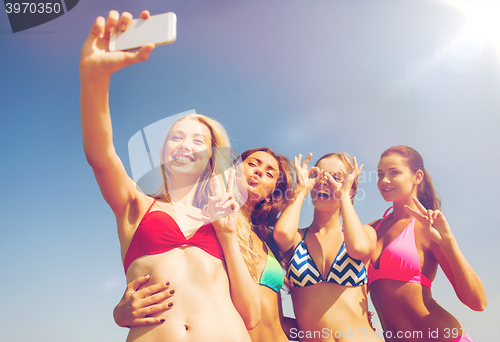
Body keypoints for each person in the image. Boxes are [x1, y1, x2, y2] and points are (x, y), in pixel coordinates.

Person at [80, 10, 260, 342]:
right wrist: (94, 76)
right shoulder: (136, 206)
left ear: (210, 158)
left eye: (198, 140)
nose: (185, 145)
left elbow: (251, 316)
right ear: (163, 153)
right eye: (175, 137)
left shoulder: (226, 220)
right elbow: (100, 156)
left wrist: (226, 235)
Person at [114, 148, 299, 341]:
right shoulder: (206, 222)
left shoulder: (267, 240)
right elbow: (175, 270)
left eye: (270, 174)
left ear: (271, 193)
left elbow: (275, 315)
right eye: (252, 163)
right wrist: (119, 312)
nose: (259, 172)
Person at [369, 145, 487, 342]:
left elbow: (478, 302)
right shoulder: (370, 230)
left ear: (417, 177)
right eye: (380, 174)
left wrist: (448, 242)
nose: (384, 181)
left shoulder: (427, 227)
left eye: (394, 173)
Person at [273, 153, 379, 341]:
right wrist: (302, 188)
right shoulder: (296, 237)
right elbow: (281, 235)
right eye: (318, 175)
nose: (324, 181)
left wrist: (344, 195)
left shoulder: (365, 233)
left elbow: (360, 249)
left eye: (335, 177)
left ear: (351, 189)